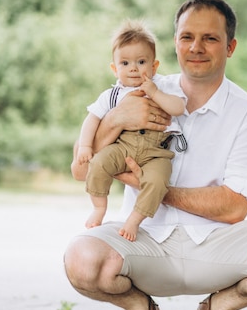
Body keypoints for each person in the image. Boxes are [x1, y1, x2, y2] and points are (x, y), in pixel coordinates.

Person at [65, 0, 247, 310]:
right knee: (80, 258)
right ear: (175, 42)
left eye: (210, 38)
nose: (196, 47)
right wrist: (117, 120)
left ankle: (220, 309)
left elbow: (233, 208)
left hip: (218, 243)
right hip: (143, 238)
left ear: (230, 46)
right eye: (186, 37)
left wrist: (150, 187)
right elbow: (82, 171)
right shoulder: (136, 90)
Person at [75, 20, 186, 241]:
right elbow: (92, 119)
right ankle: (99, 207)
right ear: (115, 69)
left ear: (154, 66)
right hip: (122, 148)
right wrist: (86, 146)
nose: (133, 68)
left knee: (158, 182)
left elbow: (179, 107)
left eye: (141, 61)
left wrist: (155, 93)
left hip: (156, 152)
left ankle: (134, 220)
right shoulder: (112, 96)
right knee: (98, 163)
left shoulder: (162, 86)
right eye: (125, 63)